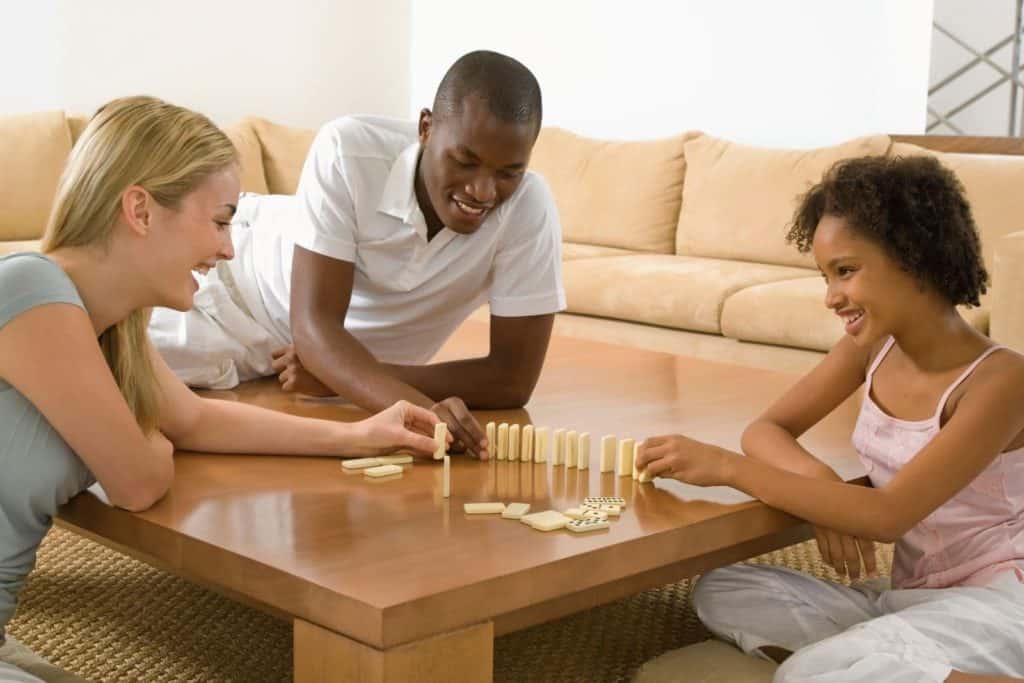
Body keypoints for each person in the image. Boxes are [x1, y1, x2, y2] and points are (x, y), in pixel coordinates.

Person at [0, 96, 443, 683]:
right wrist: (144, 441)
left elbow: (198, 422)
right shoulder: (32, 293)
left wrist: (359, 435)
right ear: (140, 210)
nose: (229, 249)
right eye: (218, 221)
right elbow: (138, 481)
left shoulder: (108, 330)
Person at [635, 155, 1024, 682]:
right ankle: (886, 659)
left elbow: (886, 516)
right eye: (825, 276)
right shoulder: (872, 349)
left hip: (1001, 603)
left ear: (914, 258)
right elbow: (765, 431)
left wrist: (725, 468)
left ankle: (866, 662)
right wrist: (823, 493)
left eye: (845, 271)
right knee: (722, 589)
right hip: (913, 599)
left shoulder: (1002, 382)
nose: (830, 296)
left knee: (810, 671)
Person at [149, 50, 566, 460]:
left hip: (310, 368)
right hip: (225, 289)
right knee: (112, 375)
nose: (483, 191)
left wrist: (340, 378)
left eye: (509, 172)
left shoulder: (529, 208)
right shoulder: (349, 149)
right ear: (426, 127)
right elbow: (313, 327)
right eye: (464, 161)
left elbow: (513, 379)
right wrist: (413, 407)